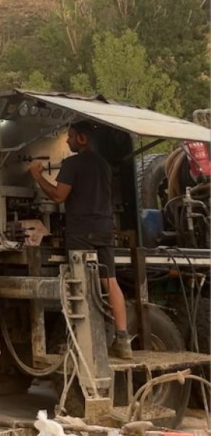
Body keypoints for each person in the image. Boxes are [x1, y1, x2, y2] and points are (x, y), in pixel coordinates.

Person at [29, 120, 133, 359]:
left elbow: (58, 196)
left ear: (83, 138)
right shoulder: (104, 165)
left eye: (71, 136)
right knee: (110, 282)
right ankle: (122, 339)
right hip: (104, 229)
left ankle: (82, 341)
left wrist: (37, 176)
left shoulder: (73, 163)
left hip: (81, 232)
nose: (67, 140)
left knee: (80, 283)